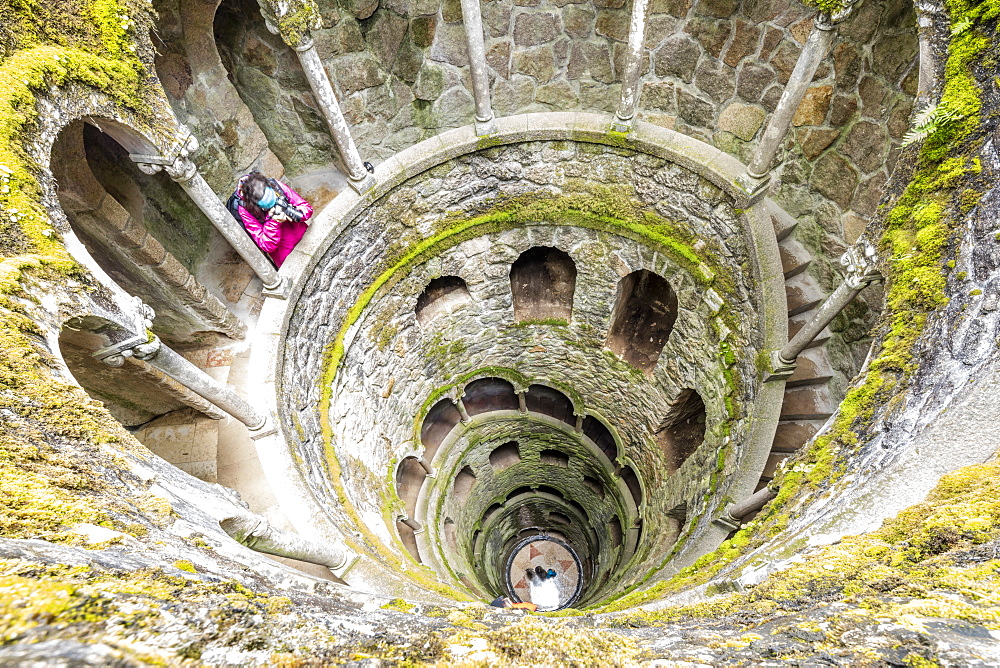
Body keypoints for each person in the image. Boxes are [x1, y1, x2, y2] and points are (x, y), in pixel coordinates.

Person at [234, 172, 313, 268]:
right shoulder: (245, 209)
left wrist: (295, 212)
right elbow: (265, 244)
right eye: (268, 207)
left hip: (304, 235)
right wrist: (274, 222)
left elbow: (305, 207)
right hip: (284, 253)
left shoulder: (275, 185)